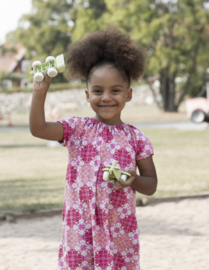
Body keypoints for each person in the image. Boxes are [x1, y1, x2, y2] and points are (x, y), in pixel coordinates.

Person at [30, 27, 157, 270]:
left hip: (119, 233)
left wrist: (133, 180)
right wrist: (39, 93)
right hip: (80, 231)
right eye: (98, 91)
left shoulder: (136, 138)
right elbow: (39, 129)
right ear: (87, 95)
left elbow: (151, 184)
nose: (106, 97)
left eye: (115, 90)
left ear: (128, 94)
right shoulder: (77, 129)